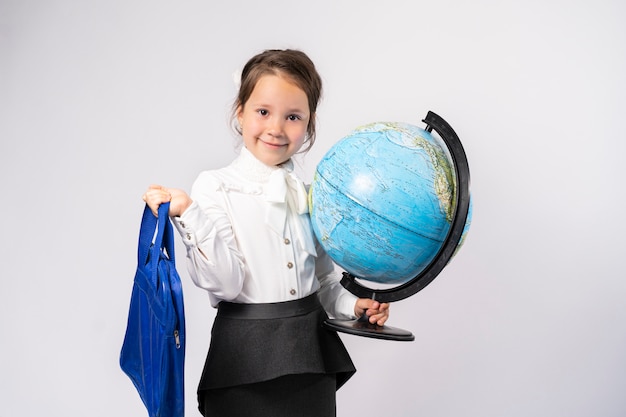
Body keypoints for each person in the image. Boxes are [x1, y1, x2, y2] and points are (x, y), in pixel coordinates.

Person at [143, 48, 390, 417]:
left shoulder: (311, 195)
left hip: (311, 357)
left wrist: (354, 305)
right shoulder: (215, 187)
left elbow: (322, 283)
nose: (276, 128)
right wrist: (189, 215)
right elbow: (226, 284)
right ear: (239, 112)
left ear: (309, 124)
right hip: (244, 359)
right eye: (263, 112)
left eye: (292, 116)